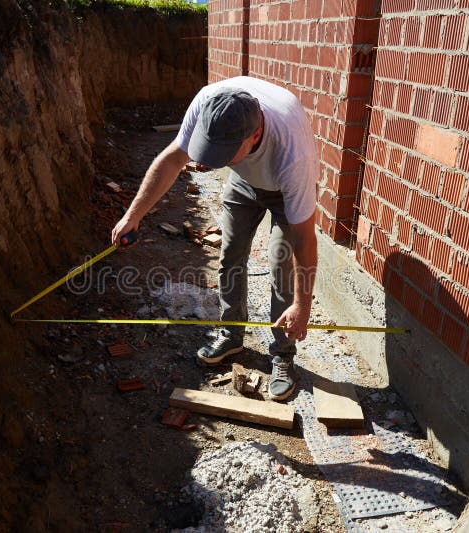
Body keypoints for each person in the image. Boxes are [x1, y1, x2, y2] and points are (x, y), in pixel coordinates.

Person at [111, 76, 318, 401]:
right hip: (244, 180)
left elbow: (305, 239)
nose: (206, 161)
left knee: (282, 264)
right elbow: (171, 160)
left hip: (280, 189)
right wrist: (133, 215)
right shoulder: (209, 103)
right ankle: (231, 334)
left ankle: (282, 353)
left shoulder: (294, 156)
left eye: (221, 153)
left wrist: (302, 307)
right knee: (231, 255)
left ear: (255, 136)